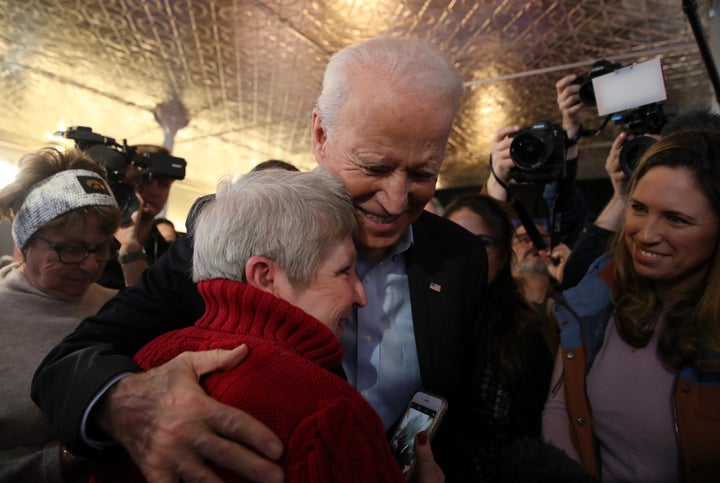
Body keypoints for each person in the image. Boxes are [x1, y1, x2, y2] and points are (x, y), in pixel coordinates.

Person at [32, 35, 488, 482]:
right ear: (321, 134)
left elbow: (462, 407)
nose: (395, 200)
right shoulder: (238, 231)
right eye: (374, 166)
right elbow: (68, 364)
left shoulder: (459, 258)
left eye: (423, 172)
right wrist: (127, 403)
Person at [92, 168, 426, 482]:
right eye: (344, 271)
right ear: (266, 277)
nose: (361, 295)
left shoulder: (147, 364)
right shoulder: (331, 414)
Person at [542, 129, 720, 482]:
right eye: (638, 208)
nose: (645, 233)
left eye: (676, 218)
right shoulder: (598, 297)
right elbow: (560, 407)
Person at [0, 147, 122, 482]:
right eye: (71, 249)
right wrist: (66, 457)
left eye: (101, 248)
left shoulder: (118, 306)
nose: (90, 264)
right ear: (27, 242)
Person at [444, 193, 556, 480]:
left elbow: (534, 439)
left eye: (482, 243)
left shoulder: (523, 336)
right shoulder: (417, 321)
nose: (467, 252)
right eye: (454, 238)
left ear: (505, 255)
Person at [98, 144, 178, 289]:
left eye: (164, 184)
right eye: (143, 180)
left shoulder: (169, 256)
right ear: (121, 181)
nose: (154, 191)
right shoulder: (94, 241)